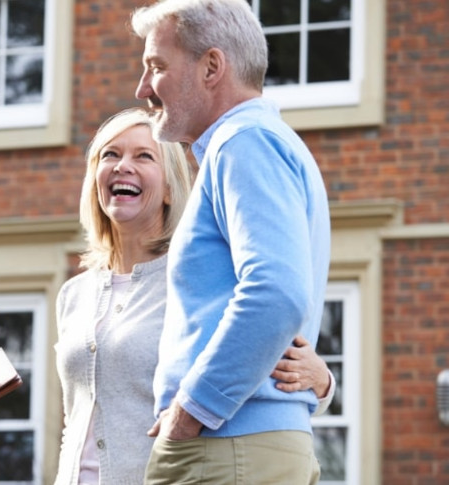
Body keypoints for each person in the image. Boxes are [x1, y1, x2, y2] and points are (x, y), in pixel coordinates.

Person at [53, 108, 333, 484]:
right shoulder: (74, 294)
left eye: (143, 156)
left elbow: (258, 342)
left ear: (170, 188)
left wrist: (323, 382)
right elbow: (75, 417)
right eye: (110, 155)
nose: (123, 166)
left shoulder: (195, 281)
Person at [131, 0, 332, 483]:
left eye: (156, 66)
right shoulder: (256, 142)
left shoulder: (245, 142)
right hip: (241, 444)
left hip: (226, 446)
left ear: (212, 67)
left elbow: (276, 294)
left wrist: (190, 412)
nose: (142, 88)